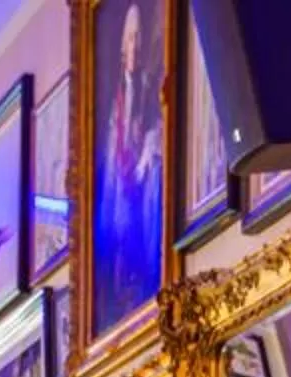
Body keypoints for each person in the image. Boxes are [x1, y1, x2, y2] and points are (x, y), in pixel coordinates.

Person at [95, 0, 165, 323]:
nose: (135, 46)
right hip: (120, 199)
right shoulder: (115, 100)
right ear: (123, 44)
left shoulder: (149, 86)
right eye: (130, 38)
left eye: (139, 37)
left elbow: (156, 127)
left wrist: (146, 154)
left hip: (141, 189)